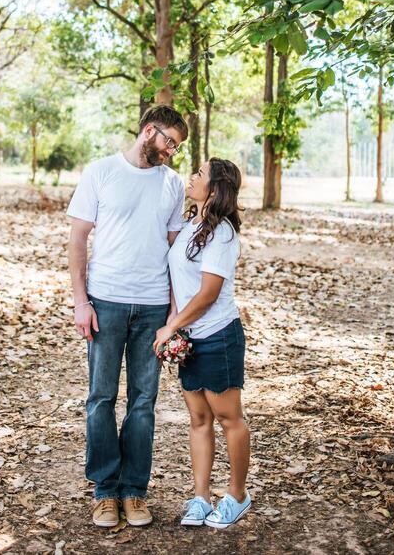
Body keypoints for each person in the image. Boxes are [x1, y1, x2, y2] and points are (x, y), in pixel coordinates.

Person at [67, 105, 188, 529]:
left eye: (177, 146)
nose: (172, 151)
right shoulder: (100, 172)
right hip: (106, 302)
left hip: (153, 305)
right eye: (169, 141)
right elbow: (78, 240)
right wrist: (81, 302)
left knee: (143, 402)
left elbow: (175, 252)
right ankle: (105, 490)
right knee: (100, 398)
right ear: (149, 131)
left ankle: (134, 490)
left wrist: (174, 312)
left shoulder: (172, 184)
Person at [154, 158, 251, 529]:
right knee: (198, 419)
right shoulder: (191, 224)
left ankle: (238, 496)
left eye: (200, 174)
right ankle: (200, 497)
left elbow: (208, 294)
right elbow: (180, 283)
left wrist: (171, 326)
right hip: (190, 338)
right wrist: (173, 326)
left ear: (215, 188)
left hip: (218, 337)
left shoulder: (222, 233)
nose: (192, 177)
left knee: (229, 419)